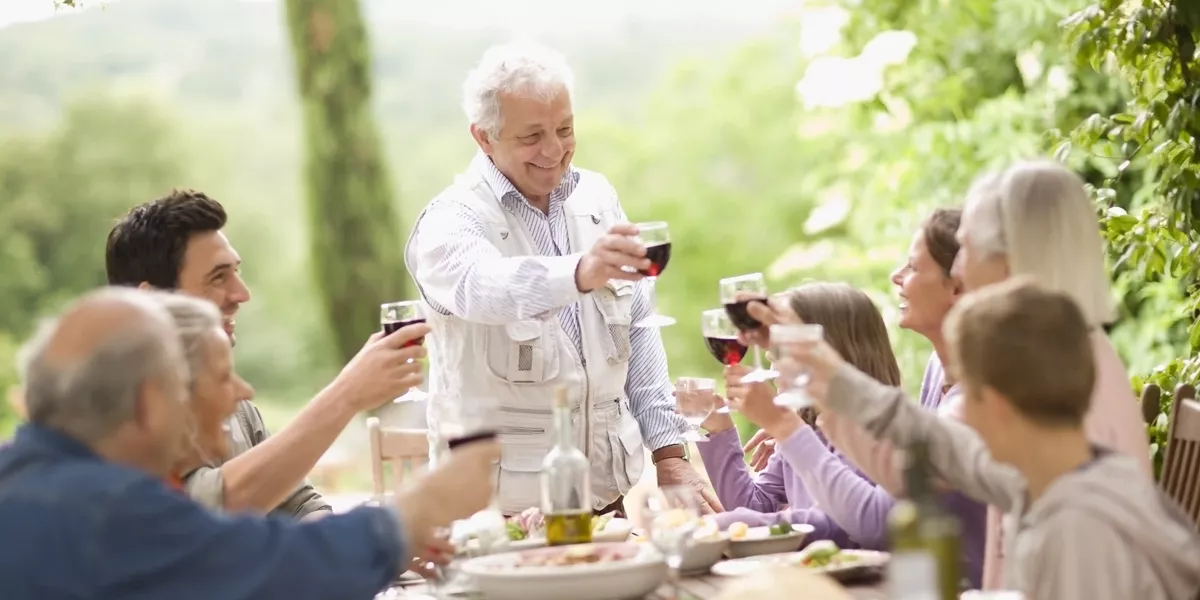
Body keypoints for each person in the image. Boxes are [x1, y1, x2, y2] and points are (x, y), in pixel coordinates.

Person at [0, 287, 499, 599]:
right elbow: (270, 568)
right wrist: (422, 506)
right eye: (209, 379)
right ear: (149, 405)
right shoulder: (105, 510)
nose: (243, 393)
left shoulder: (25, 479)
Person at [404, 41, 715, 515]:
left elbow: (638, 332)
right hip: (493, 516)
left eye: (565, 129)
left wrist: (671, 455)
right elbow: (482, 286)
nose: (554, 149)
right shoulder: (450, 220)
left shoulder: (598, 197)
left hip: (606, 503)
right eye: (531, 137)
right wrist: (580, 271)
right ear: (484, 137)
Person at [776, 279, 1200, 599]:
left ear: (994, 403)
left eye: (962, 391)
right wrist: (826, 377)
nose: (951, 407)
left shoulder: (1077, 527)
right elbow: (946, 448)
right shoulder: (1066, 473)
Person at [106, 190, 430, 518]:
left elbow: (300, 505)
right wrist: (346, 395)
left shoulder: (235, 405)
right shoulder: (117, 415)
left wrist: (367, 544)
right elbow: (202, 509)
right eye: (218, 277)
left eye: (237, 271)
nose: (241, 294)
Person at [697, 283, 895, 550]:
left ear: (831, 350)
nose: (768, 354)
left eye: (783, 343)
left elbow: (841, 523)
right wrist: (720, 431)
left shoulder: (872, 428)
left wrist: (732, 524)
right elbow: (753, 505)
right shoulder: (807, 423)